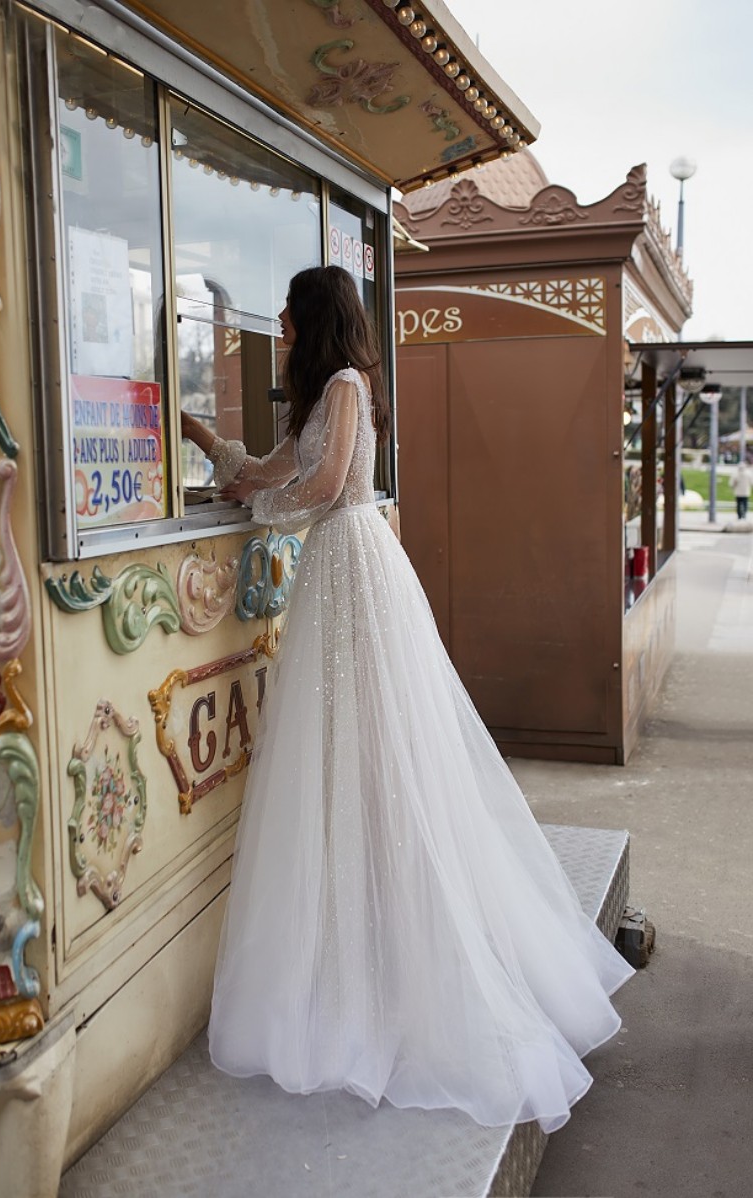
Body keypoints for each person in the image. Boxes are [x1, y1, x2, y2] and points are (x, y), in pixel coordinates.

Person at [181, 265, 633, 1134]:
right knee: (339, 753)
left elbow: (322, 486)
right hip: (332, 576)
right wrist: (213, 450)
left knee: (381, 747)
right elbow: (275, 467)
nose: (277, 326)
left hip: (354, 565)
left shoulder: (348, 385)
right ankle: (365, 937)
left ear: (317, 319)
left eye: (286, 314)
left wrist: (263, 505)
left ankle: (413, 946)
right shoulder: (314, 397)